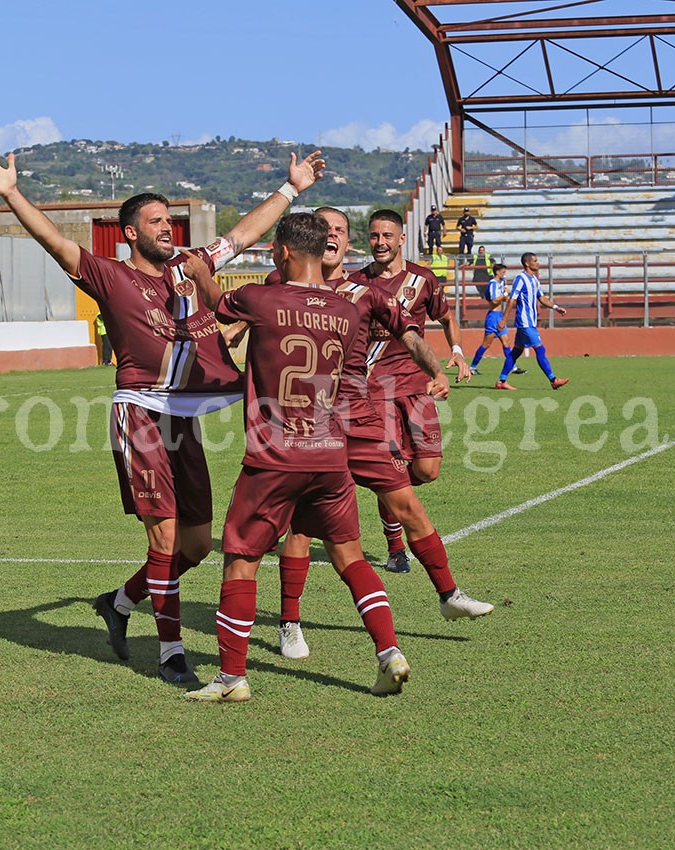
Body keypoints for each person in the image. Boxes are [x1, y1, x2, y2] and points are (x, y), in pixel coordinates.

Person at [0, 146, 326, 684]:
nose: (168, 228)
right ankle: (171, 656)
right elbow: (55, 242)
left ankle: (120, 602)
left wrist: (292, 189)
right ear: (130, 234)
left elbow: (245, 234)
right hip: (140, 410)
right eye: (156, 222)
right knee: (162, 541)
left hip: (184, 419)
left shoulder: (191, 267)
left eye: (169, 220)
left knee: (194, 545)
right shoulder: (110, 277)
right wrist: (12, 193)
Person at [183, 213, 411, 702]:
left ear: (282, 253)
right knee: (350, 556)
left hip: (274, 456)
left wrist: (200, 266)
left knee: (240, 562)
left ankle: (231, 678)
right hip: (331, 455)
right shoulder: (348, 314)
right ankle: (389, 651)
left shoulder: (260, 299)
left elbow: (217, 302)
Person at [272, 209, 493, 660]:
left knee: (408, 500)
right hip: (307, 423)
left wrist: (439, 367)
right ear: (313, 239)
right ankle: (289, 622)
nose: (332, 237)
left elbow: (409, 333)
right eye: (324, 230)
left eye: (339, 231)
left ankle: (448, 595)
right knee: (300, 526)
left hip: (360, 416)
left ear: (346, 242)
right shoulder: (286, 290)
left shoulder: (364, 292)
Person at [349, 209, 471, 575]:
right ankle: (395, 546)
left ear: (401, 239)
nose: (380, 243)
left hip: (418, 390)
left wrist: (458, 353)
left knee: (428, 470)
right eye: (374, 236)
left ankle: (382, 488)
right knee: (394, 473)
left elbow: (447, 317)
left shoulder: (423, 280)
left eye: (387, 236)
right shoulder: (355, 284)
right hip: (376, 392)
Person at [495, 252, 569, 391]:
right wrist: (504, 320)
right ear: (527, 263)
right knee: (540, 349)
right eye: (534, 261)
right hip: (525, 322)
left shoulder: (534, 280)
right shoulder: (521, 279)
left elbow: (541, 298)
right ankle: (553, 380)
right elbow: (512, 299)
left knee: (516, 352)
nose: (537, 263)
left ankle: (501, 381)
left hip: (530, 322)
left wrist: (555, 307)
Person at [469, 263, 513, 375]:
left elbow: (501, 299)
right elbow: (493, 301)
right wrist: (504, 295)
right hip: (493, 316)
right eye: (503, 272)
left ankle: (512, 366)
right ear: (497, 272)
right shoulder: (493, 284)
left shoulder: (500, 283)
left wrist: (505, 293)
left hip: (499, 315)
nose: (505, 274)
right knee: (486, 344)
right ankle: (472, 367)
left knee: (506, 341)